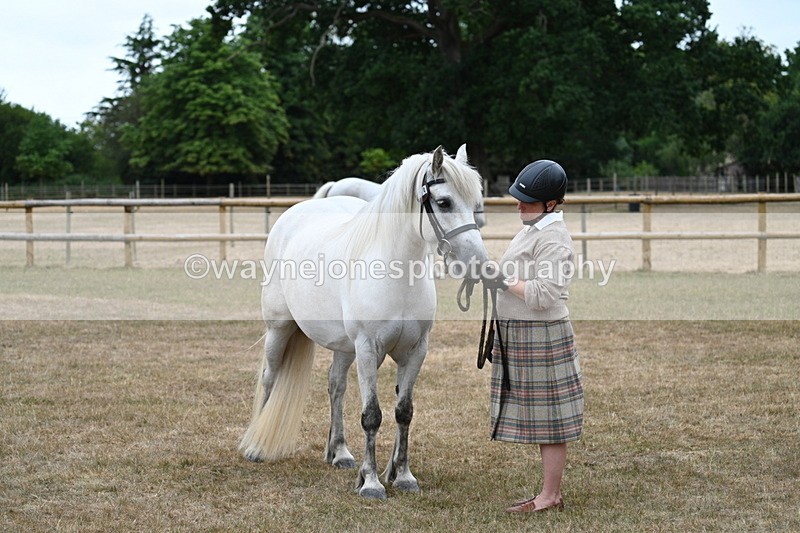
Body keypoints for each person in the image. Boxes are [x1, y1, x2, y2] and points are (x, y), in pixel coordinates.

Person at [481, 160, 584, 513]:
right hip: (522, 333)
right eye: (519, 198)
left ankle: (550, 495)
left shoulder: (553, 238)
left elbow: (543, 295)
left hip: (541, 334)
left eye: (527, 200)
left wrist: (500, 279)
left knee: (550, 419)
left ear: (550, 204)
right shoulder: (533, 229)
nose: (519, 205)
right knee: (543, 417)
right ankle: (549, 493)